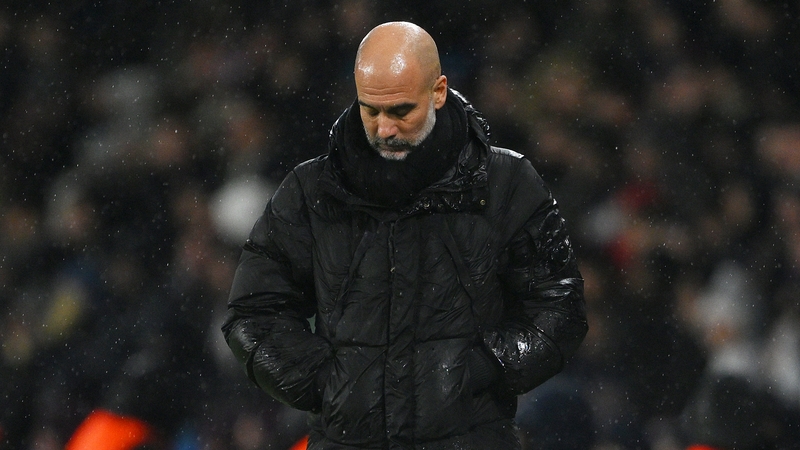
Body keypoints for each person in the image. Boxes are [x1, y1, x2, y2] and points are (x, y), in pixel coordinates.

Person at [221, 21, 588, 449]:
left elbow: (559, 304)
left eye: (400, 111)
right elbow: (253, 313)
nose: (384, 128)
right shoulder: (310, 191)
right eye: (370, 110)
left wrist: (480, 371)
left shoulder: (506, 184)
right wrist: (328, 384)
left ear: (439, 91)